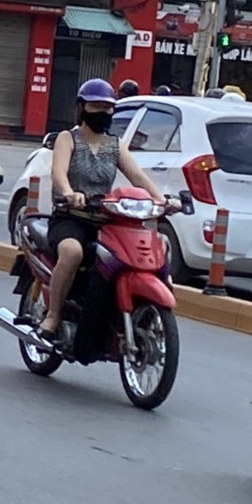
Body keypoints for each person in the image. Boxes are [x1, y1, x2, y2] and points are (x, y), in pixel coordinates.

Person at [39, 79, 166, 341]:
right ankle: (53, 314)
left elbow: (138, 177)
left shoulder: (115, 145)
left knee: (154, 248)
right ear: (82, 108)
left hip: (105, 221)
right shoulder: (68, 138)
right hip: (70, 217)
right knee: (72, 251)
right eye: (96, 106)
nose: (103, 112)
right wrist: (69, 193)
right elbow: (58, 172)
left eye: (108, 107)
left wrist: (161, 200)